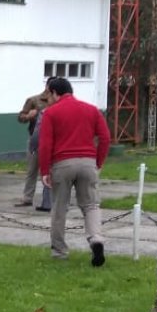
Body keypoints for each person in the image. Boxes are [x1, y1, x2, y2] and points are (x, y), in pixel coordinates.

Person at [37, 76, 110, 266]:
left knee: (60, 208)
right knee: (91, 205)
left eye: (48, 94)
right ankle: (96, 240)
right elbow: (105, 138)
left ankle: (59, 251)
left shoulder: (50, 113)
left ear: (55, 93)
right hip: (88, 162)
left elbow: (45, 144)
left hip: (62, 164)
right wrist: (98, 162)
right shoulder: (92, 109)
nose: (48, 98)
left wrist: (44, 170)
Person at [16, 88, 52, 209]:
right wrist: (28, 116)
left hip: (51, 141)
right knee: (32, 170)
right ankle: (27, 198)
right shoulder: (34, 100)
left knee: (48, 171)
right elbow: (20, 117)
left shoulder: (58, 102)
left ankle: (48, 201)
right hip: (35, 139)